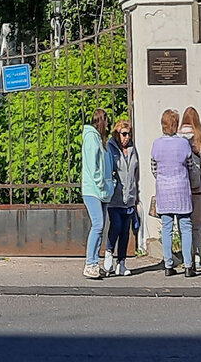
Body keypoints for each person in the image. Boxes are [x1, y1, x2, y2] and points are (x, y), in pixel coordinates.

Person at [151, 109, 195, 277]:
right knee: (185, 227)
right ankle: (188, 265)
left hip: (164, 190)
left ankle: (168, 264)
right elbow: (190, 166)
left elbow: (153, 168)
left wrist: (163, 177)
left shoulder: (156, 144)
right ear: (175, 125)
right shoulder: (183, 143)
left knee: (167, 228)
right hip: (181, 189)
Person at [81, 108, 115, 279]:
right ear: (101, 121)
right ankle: (90, 263)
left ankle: (94, 261)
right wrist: (101, 183)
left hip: (103, 190)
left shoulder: (101, 141)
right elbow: (92, 166)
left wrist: (110, 184)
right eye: (106, 121)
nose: (108, 125)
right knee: (98, 225)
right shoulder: (91, 138)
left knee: (100, 227)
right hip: (93, 189)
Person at [104, 119, 139, 276]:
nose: (127, 137)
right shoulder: (110, 148)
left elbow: (136, 172)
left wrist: (136, 194)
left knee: (125, 230)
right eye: (124, 134)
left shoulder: (132, 149)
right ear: (117, 134)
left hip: (130, 196)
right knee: (116, 225)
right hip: (115, 197)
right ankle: (109, 252)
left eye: (129, 134)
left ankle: (122, 263)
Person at [179, 107, 201, 273]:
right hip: (198, 189)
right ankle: (198, 260)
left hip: (182, 189)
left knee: (185, 226)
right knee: (198, 226)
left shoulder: (177, 138)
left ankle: (187, 259)